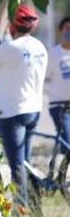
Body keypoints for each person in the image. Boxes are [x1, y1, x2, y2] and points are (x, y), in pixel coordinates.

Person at [0, 4, 47, 207]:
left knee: (17, 167)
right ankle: (35, 209)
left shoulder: (9, 49)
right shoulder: (39, 47)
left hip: (12, 114)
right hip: (33, 112)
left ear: (13, 26)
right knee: (25, 164)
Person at [46, 16, 70, 153]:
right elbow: (45, 77)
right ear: (61, 31)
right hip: (59, 106)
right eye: (67, 28)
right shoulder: (54, 54)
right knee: (67, 142)